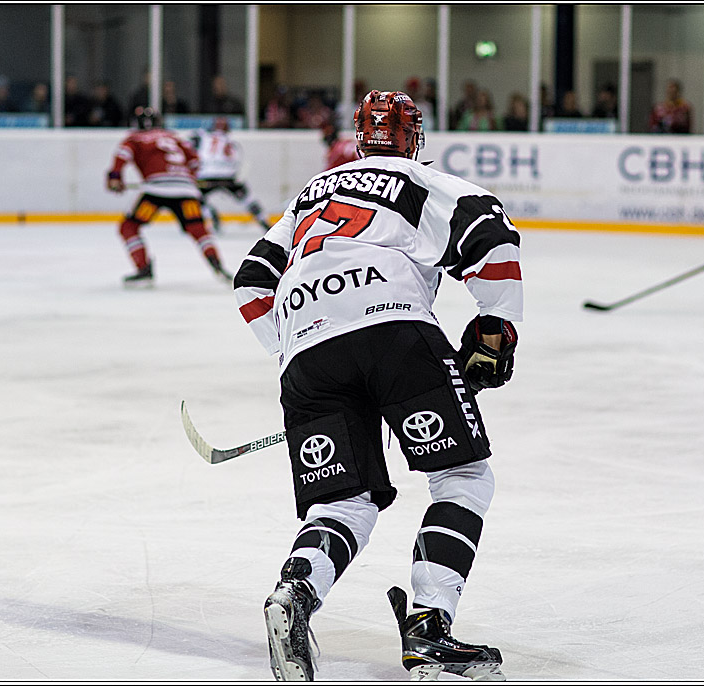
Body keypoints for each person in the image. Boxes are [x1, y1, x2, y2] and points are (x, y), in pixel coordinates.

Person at [233, 89, 521, 682]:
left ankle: (295, 596)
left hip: (307, 349)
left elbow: (251, 281)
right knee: (462, 476)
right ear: (415, 136)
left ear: (358, 136)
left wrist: (295, 350)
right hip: (394, 328)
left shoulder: (310, 194)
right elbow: (491, 238)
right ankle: (430, 629)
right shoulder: (421, 179)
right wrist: (494, 328)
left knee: (343, 502)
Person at [106, 107, 232, 286]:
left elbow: (121, 156)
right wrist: (186, 178)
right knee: (198, 230)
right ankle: (218, 266)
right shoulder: (174, 137)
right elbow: (195, 162)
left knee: (129, 227)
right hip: (186, 191)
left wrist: (114, 179)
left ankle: (144, 270)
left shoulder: (133, 138)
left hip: (155, 192)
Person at [190, 116, 272, 232]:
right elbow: (238, 159)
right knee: (248, 198)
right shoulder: (231, 139)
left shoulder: (202, 135)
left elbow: (191, 147)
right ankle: (263, 221)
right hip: (228, 177)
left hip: (206, 176)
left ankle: (210, 213)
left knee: (195, 197)